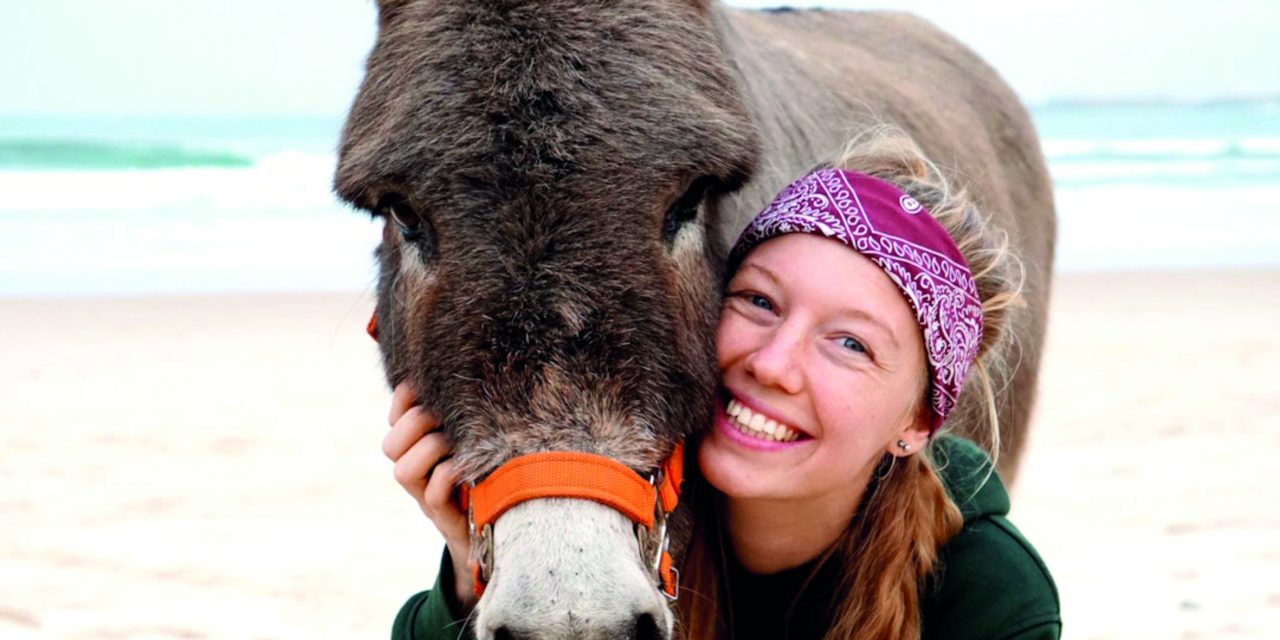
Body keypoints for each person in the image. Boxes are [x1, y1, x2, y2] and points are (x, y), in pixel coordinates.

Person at [381, 130, 1061, 639]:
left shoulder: (989, 597)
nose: (773, 364)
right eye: (760, 302)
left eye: (850, 344)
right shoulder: (601, 504)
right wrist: (471, 576)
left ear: (916, 423)